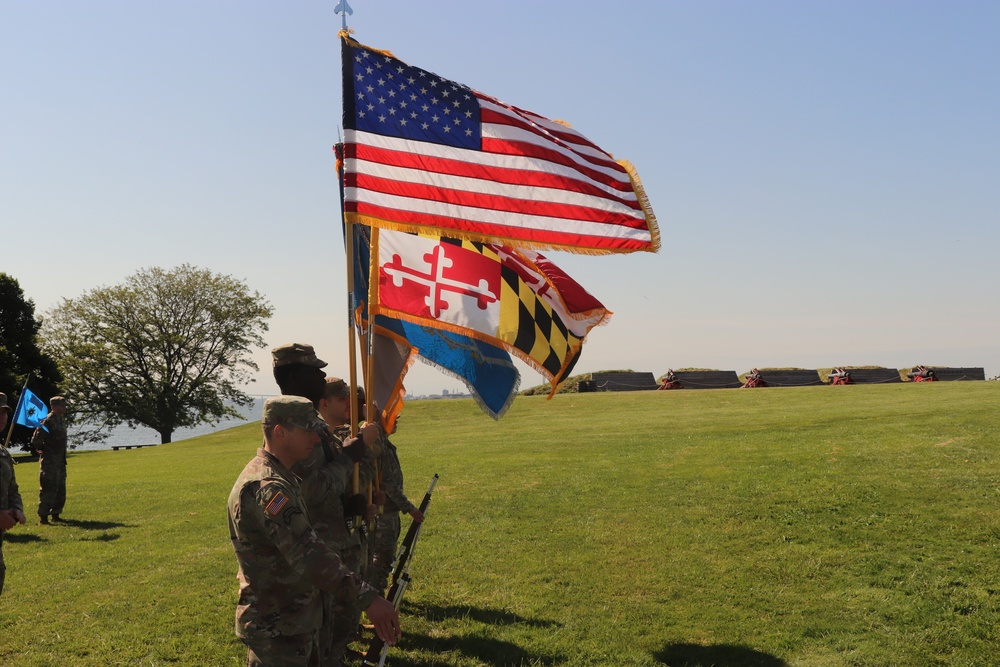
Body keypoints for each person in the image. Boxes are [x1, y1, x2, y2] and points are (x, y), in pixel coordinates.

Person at [227, 395, 399, 666]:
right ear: (280, 432)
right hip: (277, 629)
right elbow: (308, 554)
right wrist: (367, 597)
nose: (316, 440)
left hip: (293, 621)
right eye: (308, 431)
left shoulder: (284, 478)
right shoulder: (268, 489)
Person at [366, 415, 423, 596]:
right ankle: (377, 603)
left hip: (390, 512)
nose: (396, 421)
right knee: (381, 560)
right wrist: (410, 508)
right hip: (384, 514)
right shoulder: (379, 446)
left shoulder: (384, 444)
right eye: (391, 417)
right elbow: (389, 484)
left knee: (385, 558)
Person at [1, 393, 27, 597]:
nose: (2, 418)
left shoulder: (3, 452)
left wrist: (17, 509)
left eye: (4, 413)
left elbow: (12, 488)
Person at [32, 395, 68, 524]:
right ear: (53, 406)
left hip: (60, 461)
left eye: (64, 405)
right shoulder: (47, 421)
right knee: (48, 489)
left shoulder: (60, 420)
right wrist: (43, 449)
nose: (64, 407)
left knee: (60, 489)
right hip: (50, 462)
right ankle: (43, 517)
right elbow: (36, 440)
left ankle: (56, 514)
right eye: (61, 405)